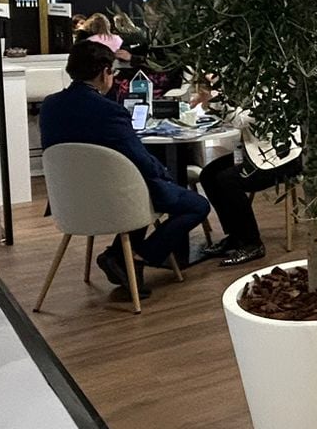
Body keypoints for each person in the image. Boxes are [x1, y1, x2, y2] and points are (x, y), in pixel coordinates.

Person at [38, 40, 211, 285]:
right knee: (197, 205)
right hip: (116, 198)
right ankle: (138, 257)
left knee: (139, 191)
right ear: (104, 72)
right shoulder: (109, 111)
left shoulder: (49, 106)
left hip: (70, 202)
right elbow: (139, 159)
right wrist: (164, 173)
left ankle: (119, 257)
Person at [197, 116, 301, 269]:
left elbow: (240, 119)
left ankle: (252, 243)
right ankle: (236, 236)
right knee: (208, 175)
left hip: (280, 156)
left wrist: (212, 103)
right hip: (255, 151)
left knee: (228, 180)